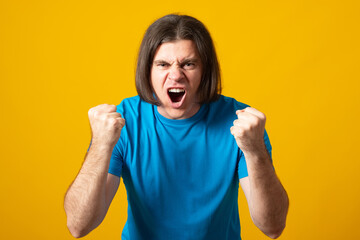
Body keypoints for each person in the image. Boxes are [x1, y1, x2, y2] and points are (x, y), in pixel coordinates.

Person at [64, 14, 289, 240]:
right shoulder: (124, 122)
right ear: (148, 71)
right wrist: (101, 146)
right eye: (163, 64)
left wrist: (255, 150)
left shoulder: (241, 124)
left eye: (188, 64)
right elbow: (78, 225)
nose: (176, 75)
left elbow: (272, 227)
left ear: (205, 70)